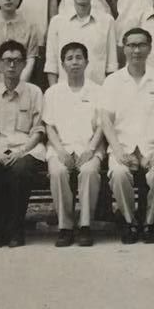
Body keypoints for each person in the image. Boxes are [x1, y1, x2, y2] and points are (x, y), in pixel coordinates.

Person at [101, 28, 154, 243]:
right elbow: (106, 120)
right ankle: (130, 222)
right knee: (119, 173)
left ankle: (150, 222)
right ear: (124, 49)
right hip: (122, 146)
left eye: (141, 45)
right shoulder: (113, 81)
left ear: (149, 48)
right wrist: (118, 150)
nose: (136, 50)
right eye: (131, 45)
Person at [0, 39, 47, 248]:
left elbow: (38, 130)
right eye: (7, 60)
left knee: (20, 170)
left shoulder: (34, 92)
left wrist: (22, 151)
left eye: (17, 60)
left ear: (24, 64)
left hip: (28, 148)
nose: (12, 65)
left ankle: (15, 230)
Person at [43, 41, 106, 247]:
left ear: (87, 62)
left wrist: (90, 149)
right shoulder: (53, 92)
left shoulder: (98, 91)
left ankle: (85, 225)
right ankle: (65, 227)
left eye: (79, 57)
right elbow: (49, 126)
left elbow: (102, 126)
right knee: (58, 172)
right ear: (62, 65)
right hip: (60, 147)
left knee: (89, 171)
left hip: (90, 146)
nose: (75, 62)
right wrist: (60, 151)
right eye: (69, 59)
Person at [45, 0, 119, 85]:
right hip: (64, 91)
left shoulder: (107, 21)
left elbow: (111, 65)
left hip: (98, 89)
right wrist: (54, 91)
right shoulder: (57, 22)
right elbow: (52, 65)